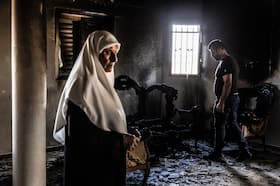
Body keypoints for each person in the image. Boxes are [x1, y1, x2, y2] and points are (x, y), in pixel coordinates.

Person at [53, 30, 140, 186]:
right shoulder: (80, 89)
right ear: (93, 53)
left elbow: (103, 120)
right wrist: (120, 140)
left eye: (115, 52)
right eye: (108, 52)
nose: (115, 59)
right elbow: (80, 138)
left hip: (106, 165)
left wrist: (128, 132)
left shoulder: (102, 83)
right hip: (90, 171)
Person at [205, 39, 252, 162]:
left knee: (220, 125)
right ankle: (244, 151)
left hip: (227, 99)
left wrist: (221, 102)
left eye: (213, 52)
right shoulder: (226, 61)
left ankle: (218, 154)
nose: (212, 55)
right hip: (230, 98)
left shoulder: (227, 62)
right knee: (231, 125)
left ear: (220, 49)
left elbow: (228, 83)